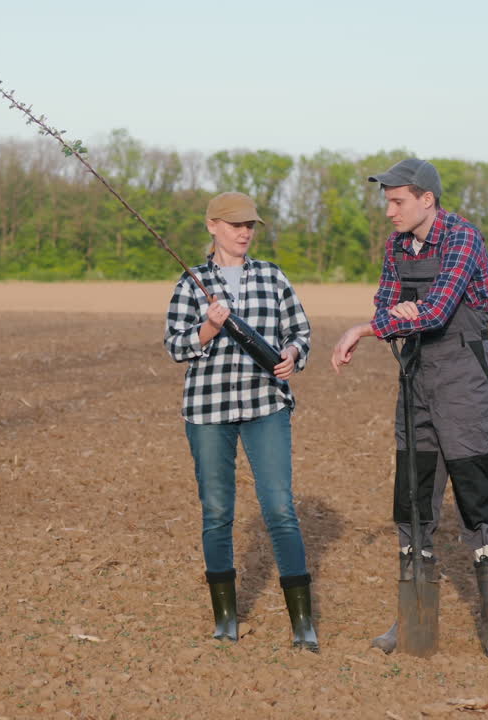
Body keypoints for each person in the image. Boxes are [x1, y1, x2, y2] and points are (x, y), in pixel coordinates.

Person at [330, 158, 488, 660]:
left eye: (397, 202)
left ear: (426, 200)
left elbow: (435, 312)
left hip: (465, 387)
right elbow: (385, 303)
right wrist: (391, 316)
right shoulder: (397, 245)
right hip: (415, 382)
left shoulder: (462, 238)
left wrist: (367, 329)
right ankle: (413, 621)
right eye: (387, 202)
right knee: (412, 500)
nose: (389, 212)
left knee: (478, 500)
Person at [163, 191, 318, 651]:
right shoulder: (190, 283)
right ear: (212, 226)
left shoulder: (272, 276)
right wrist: (209, 328)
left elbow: (300, 331)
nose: (245, 232)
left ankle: (303, 624)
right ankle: (226, 619)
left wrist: (292, 353)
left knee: (280, 509)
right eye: (235, 225)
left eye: (250, 225)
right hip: (207, 412)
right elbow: (175, 345)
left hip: (266, 407)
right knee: (217, 513)